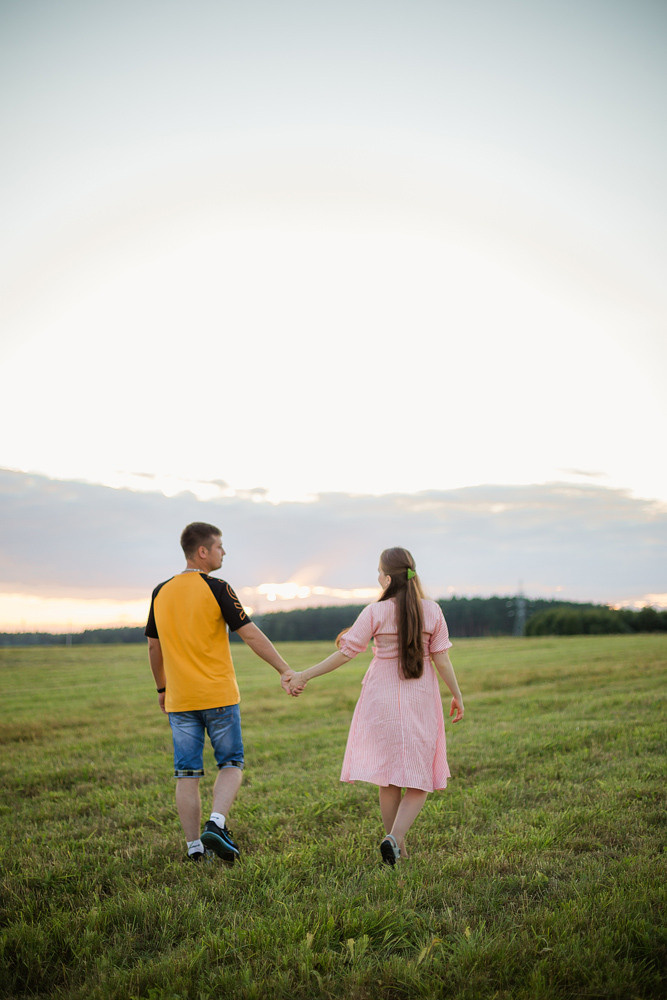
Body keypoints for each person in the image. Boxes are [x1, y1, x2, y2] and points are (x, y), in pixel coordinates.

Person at [289, 547, 464, 865]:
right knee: (419, 776)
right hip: (419, 698)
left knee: (389, 777)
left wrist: (305, 675)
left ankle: (394, 843)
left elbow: (345, 653)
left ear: (386, 578)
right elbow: (441, 657)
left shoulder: (374, 611)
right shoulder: (433, 611)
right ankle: (395, 840)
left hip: (380, 698)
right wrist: (457, 694)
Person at [145, 521, 295, 864]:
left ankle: (194, 848)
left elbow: (154, 648)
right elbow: (251, 634)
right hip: (219, 697)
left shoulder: (160, 592)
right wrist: (285, 669)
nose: (223, 552)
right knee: (231, 764)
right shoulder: (217, 588)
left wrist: (162, 688)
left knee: (187, 775)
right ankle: (216, 823)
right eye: (219, 546)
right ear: (203, 551)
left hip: (180, 700)